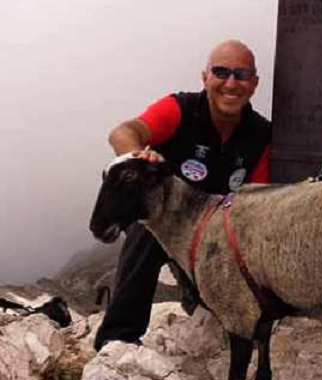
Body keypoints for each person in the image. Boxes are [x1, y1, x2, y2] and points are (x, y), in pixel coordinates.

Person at [93, 40, 271, 351]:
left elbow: (256, 203)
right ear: (205, 77)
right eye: (221, 72)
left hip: (214, 241)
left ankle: (209, 307)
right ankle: (118, 339)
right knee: (146, 229)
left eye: (241, 75)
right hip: (168, 225)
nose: (231, 83)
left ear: (254, 83)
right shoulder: (179, 109)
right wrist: (138, 156)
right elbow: (122, 133)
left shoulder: (261, 135)